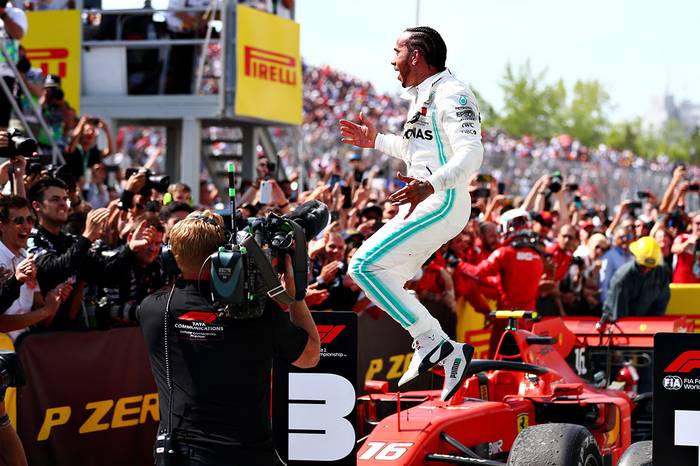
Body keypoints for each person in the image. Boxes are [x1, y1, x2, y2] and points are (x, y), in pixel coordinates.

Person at [339, 26, 483, 401]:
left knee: (363, 266)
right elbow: (412, 150)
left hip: (443, 200)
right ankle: (437, 347)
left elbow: (472, 155)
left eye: (396, 51)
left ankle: (435, 343)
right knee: (379, 274)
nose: (392, 60)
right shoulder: (424, 94)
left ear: (416, 55)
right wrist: (373, 141)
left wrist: (432, 184)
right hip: (427, 200)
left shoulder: (453, 93)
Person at [138, 211, 319, 466]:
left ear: (170, 256)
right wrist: (295, 296)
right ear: (221, 256)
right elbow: (310, 357)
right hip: (249, 454)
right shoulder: (258, 312)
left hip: (183, 456)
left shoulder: (153, 311)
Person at [603, 236, 671, 319]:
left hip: (646, 323)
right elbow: (618, 314)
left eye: (651, 267)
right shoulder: (622, 278)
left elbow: (661, 303)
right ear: (635, 257)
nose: (647, 270)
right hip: (619, 322)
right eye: (643, 267)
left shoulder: (661, 273)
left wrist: (652, 324)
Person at [0, 2, 27, 129]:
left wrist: (3, 14)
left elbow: (18, 34)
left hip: (6, 72)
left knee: (2, 120)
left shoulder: (16, 13)